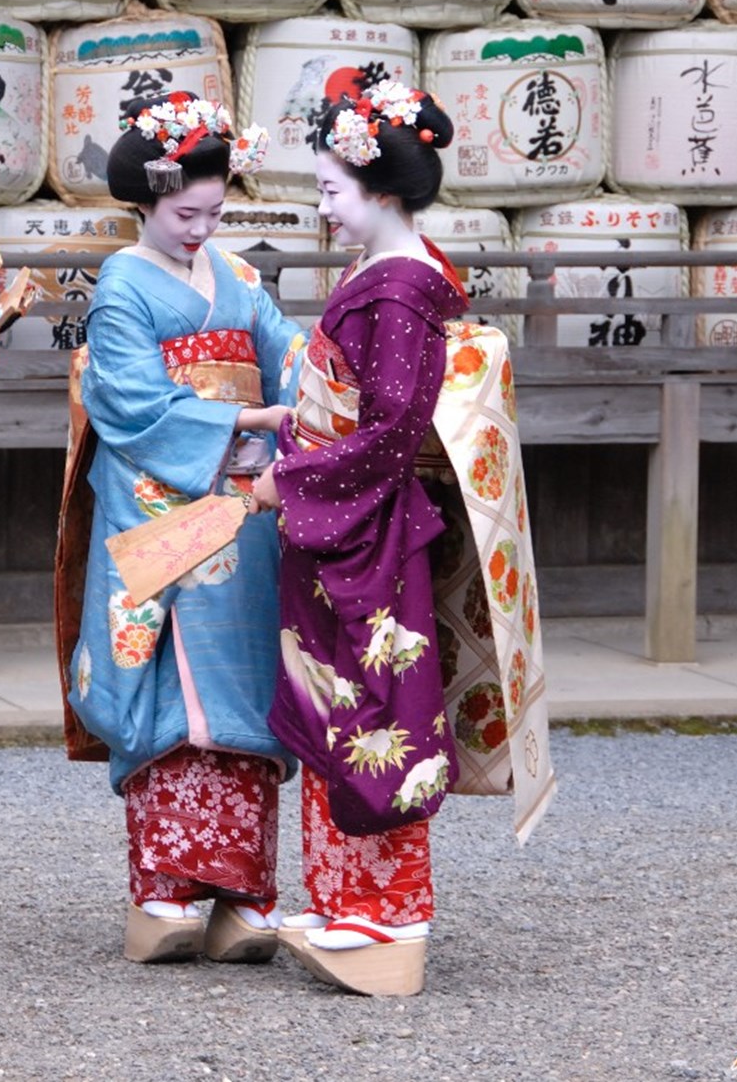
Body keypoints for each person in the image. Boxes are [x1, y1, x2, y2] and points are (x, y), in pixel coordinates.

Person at [253, 81, 554, 997]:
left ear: (381, 190)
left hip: (366, 530)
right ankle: (346, 902)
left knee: (375, 714)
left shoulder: (398, 292)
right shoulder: (396, 273)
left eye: (331, 189)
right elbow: (350, 405)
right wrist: (283, 417)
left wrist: (284, 478)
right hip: (347, 520)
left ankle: (388, 916)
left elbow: (386, 432)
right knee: (337, 709)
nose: (320, 204)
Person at [55, 91, 301, 965]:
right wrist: (236, 430)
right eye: (183, 213)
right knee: (172, 702)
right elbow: (127, 401)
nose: (200, 228)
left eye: (214, 213)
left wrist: (324, 395)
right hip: (167, 499)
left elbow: (290, 358)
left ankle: (246, 897)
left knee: (244, 700)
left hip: (247, 509)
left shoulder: (236, 279)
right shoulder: (123, 284)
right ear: (146, 203)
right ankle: (164, 895)